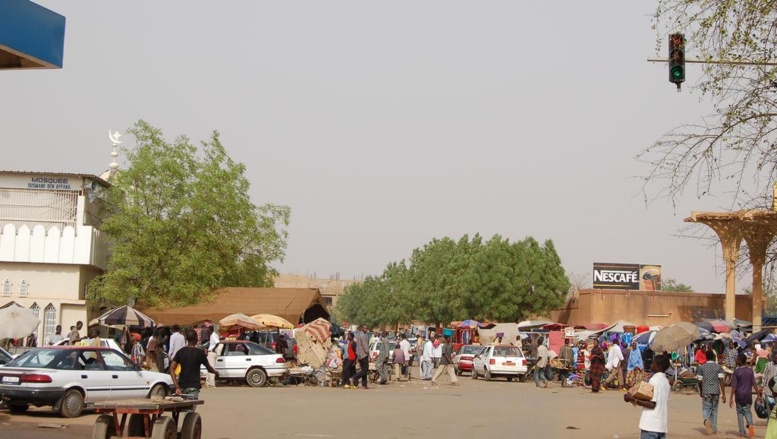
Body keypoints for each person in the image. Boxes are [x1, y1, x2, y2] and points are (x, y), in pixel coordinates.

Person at [623, 354, 671, 439]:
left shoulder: (655, 380)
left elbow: (651, 404)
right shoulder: (666, 382)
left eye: (653, 364)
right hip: (661, 425)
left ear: (659, 367)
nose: (651, 365)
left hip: (651, 425)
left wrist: (632, 399)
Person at [170, 329, 218, 400]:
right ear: (196, 338)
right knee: (191, 406)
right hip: (193, 386)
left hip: (181, 386)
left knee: (183, 405)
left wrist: (177, 387)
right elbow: (209, 368)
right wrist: (216, 373)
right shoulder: (199, 353)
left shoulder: (180, 352)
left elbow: (171, 368)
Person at [729, 352, 759, 438]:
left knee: (740, 413)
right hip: (748, 395)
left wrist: (731, 397)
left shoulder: (736, 372)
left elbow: (734, 386)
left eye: (737, 359)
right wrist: (758, 393)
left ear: (739, 361)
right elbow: (754, 383)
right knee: (747, 411)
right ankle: (750, 425)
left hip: (739, 395)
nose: (736, 360)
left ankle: (742, 432)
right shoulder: (750, 371)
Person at [697, 349, 726, 435]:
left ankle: (706, 419)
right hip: (716, 390)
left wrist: (701, 391)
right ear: (714, 357)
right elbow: (721, 380)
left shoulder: (702, 367)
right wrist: (723, 394)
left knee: (706, 407)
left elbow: (699, 381)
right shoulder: (718, 367)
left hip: (706, 390)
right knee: (714, 410)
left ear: (706, 357)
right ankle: (713, 429)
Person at [351, 324, 370, 389]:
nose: (366, 330)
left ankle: (364, 385)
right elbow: (366, 347)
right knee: (365, 370)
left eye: (367, 328)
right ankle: (355, 377)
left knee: (364, 370)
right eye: (365, 328)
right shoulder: (363, 336)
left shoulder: (358, 335)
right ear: (362, 329)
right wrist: (368, 353)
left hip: (359, 355)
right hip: (363, 355)